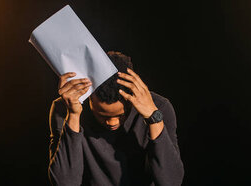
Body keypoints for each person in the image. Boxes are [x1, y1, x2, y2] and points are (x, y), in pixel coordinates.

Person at [48, 51, 184, 185]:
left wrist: (153, 118)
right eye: (101, 115)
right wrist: (73, 115)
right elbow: (64, 183)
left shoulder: (159, 107)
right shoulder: (65, 109)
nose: (112, 122)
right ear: (89, 96)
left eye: (121, 115)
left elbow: (171, 181)